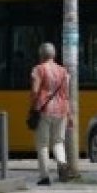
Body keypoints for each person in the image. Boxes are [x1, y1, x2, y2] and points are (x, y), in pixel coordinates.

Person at [29, 42, 72, 185]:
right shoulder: (63, 71)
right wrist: (69, 114)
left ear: (41, 55)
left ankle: (45, 176)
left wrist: (33, 106)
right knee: (59, 141)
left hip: (44, 110)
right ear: (54, 55)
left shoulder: (38, 69)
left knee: (43, 144)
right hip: (62, 110)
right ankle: (62, 163)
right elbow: (66, 94)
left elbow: (35, 91)